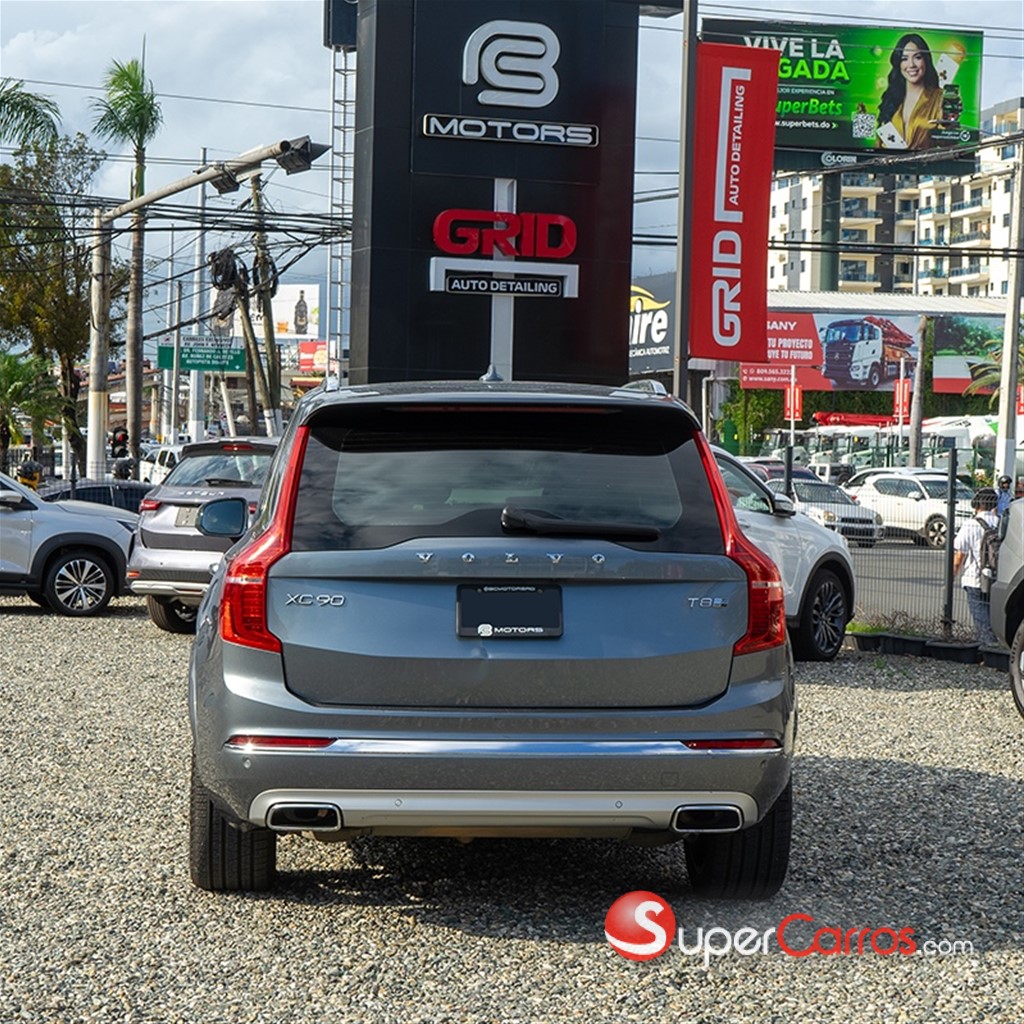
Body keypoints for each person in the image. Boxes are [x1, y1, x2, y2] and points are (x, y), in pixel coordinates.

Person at [876, 34, 943, 150]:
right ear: (898, 64)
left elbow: (950, 141)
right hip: (890, 162)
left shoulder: (940, 98)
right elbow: (877, 146)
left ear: (926, 60)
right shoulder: (891, 99)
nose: (911, 65)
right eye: (904, 59)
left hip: (929, 161)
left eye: (917, 57)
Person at [952, 488, 999, 647]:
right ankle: (994, 645)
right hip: (997, 578)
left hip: (975, 578)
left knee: (981, 619)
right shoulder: (1000, 523)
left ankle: (987, 648)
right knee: (993, 616)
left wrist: (951, 577)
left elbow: (960, 555)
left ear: (976, 504)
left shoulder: (970, 525)